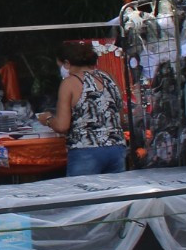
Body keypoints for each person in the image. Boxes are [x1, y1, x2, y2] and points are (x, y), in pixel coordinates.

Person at [39, 41, 128, 175]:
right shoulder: (109, 78)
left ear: (67, 63)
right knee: (114, 194)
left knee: (84, 194)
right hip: (117, 149)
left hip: (86, 150)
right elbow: (120, 118)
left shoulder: (69, 83)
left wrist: (47, 119)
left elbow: (62, 126)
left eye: (61, 65)